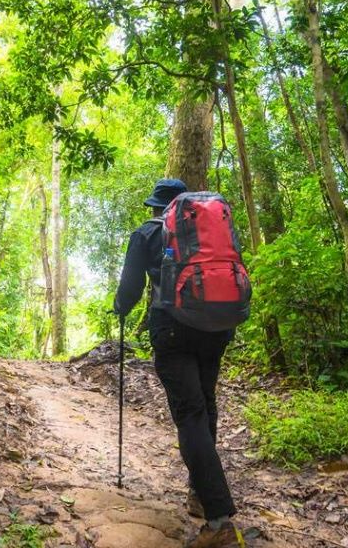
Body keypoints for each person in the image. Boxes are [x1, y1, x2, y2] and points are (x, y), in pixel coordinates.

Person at [114, 178, 244, 548]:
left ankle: (219, 520)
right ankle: (201, 494)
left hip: (173, 331)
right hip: (217, 327)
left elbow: (130, 290)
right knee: (205, 404)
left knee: (189, 414)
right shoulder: (208, 232)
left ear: (158, 206)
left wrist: (121, 308)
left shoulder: (145, 234)